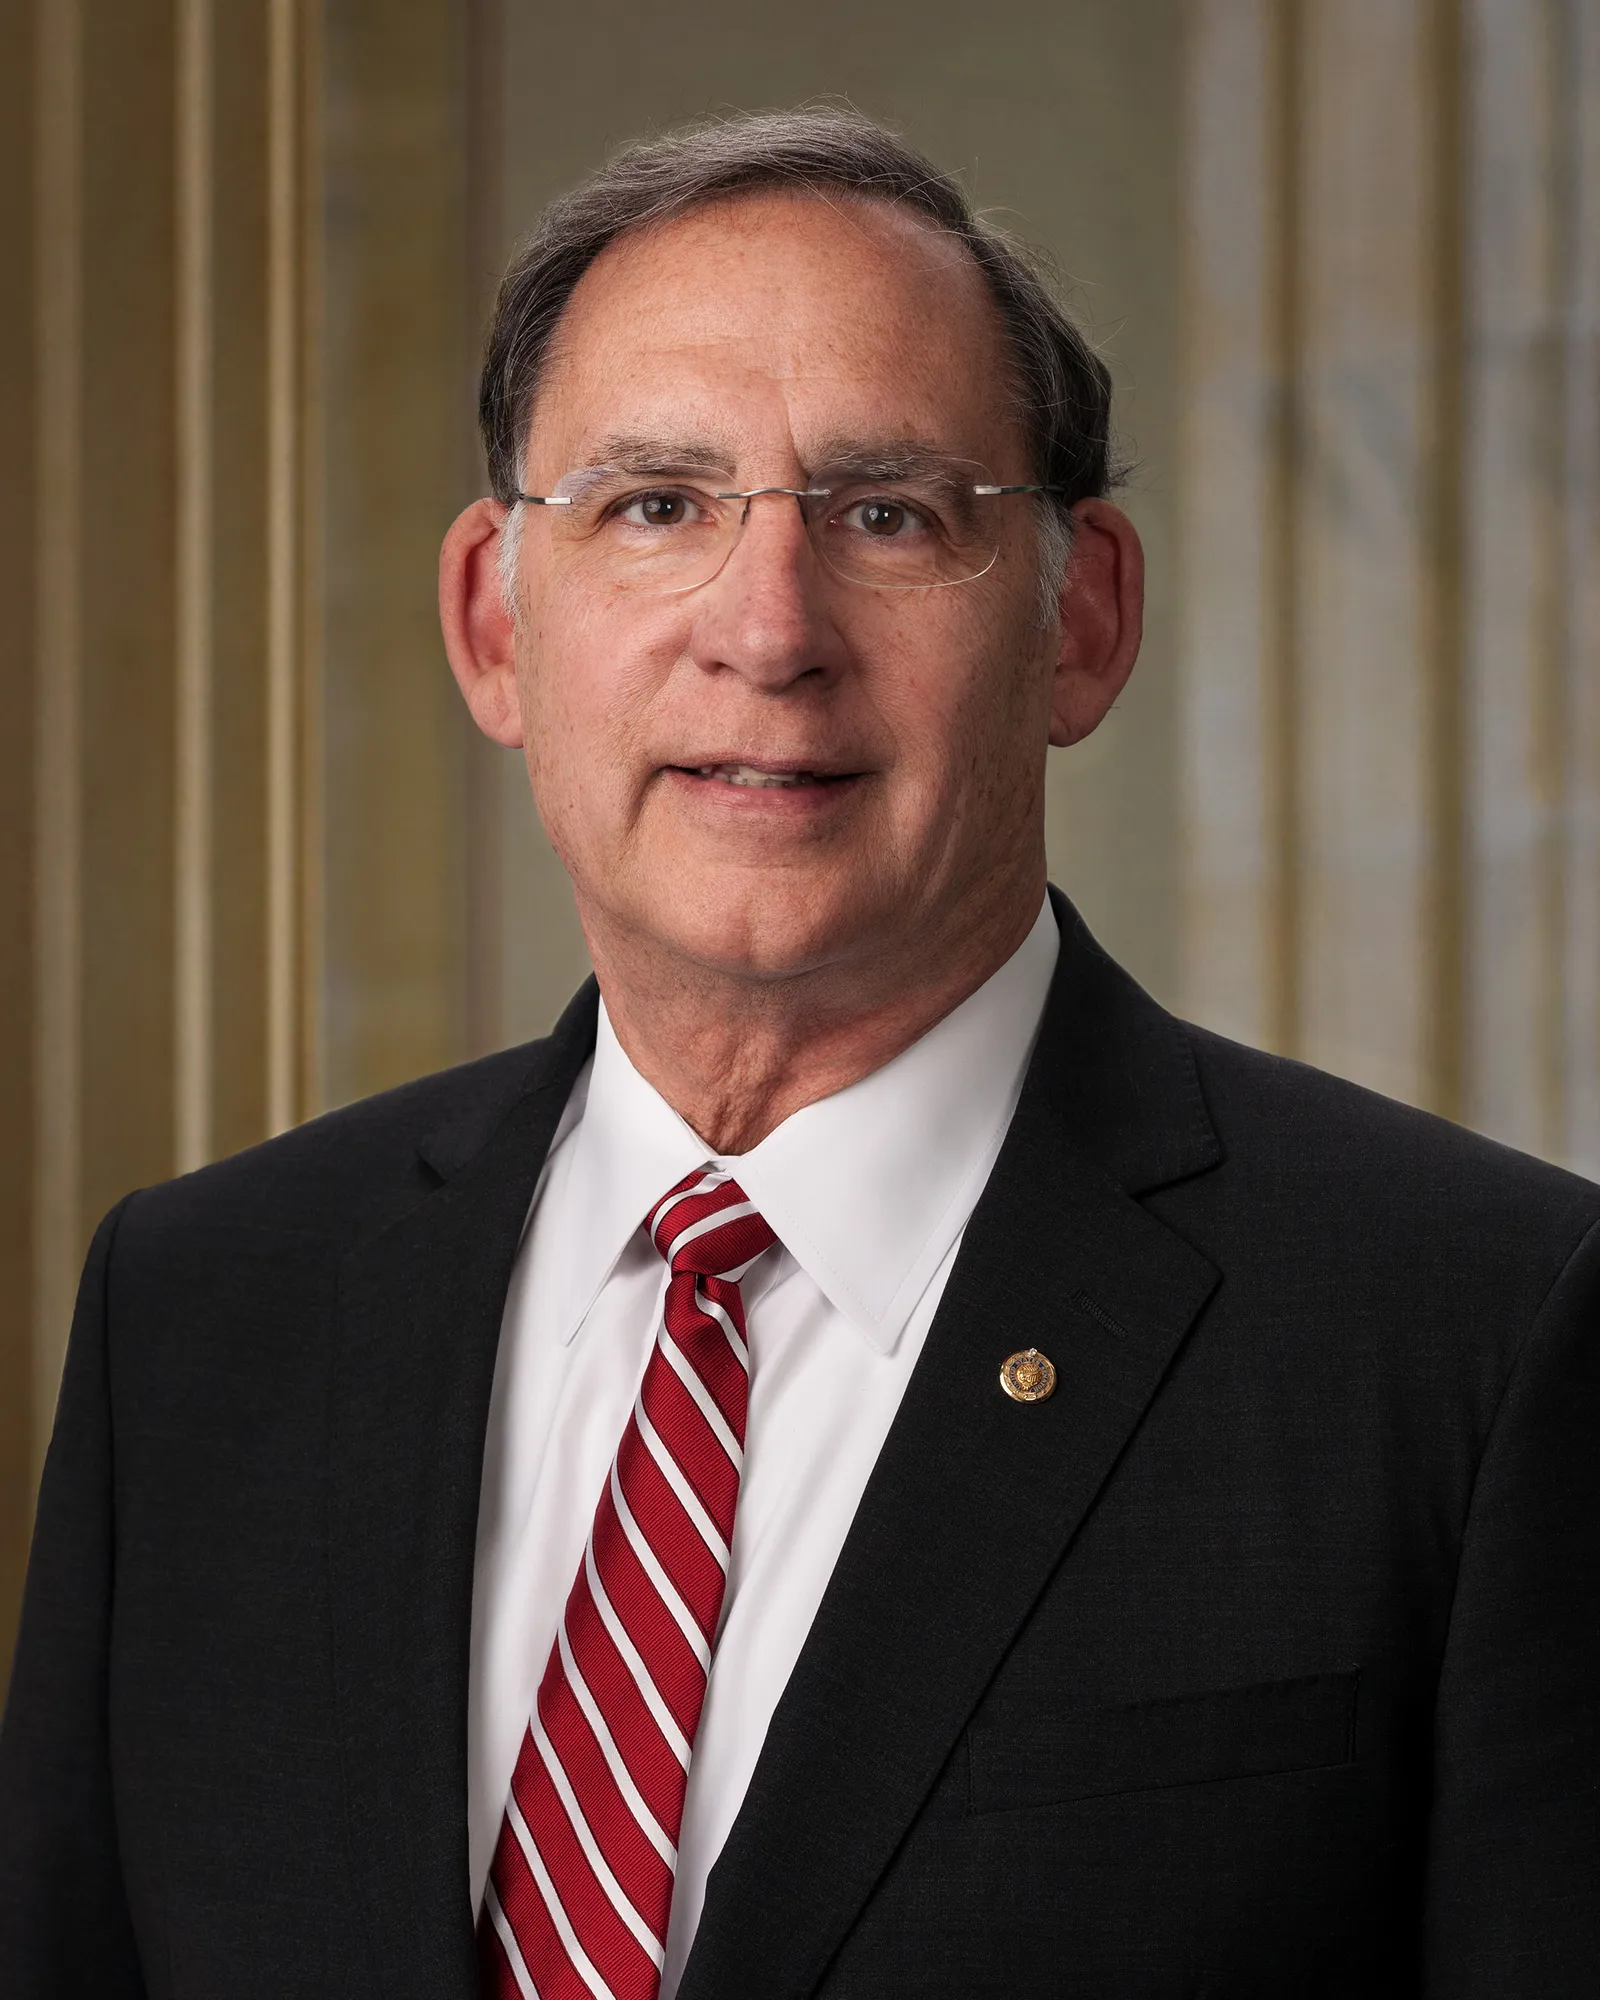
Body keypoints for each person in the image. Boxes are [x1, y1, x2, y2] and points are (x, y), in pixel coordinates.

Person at [2, 106, 1596, 2000]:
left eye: (889, 514)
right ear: (495, 625)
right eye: (656, 506)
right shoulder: (204, 1319)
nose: (767, 632)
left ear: (1080, 622)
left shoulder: (1481, 1331)